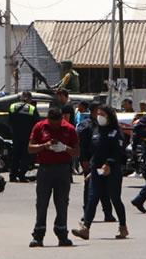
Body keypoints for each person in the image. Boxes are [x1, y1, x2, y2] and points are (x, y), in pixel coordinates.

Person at [72, 105, 128, 241]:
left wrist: (109, 163)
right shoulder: (96, 131)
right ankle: (85, 228)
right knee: (92, 198)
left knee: (115, 198)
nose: (99, 116)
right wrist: (92, 169)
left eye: (102, 114)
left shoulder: (116, 132)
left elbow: (118, 151)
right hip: (97, 170)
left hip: (112, 170)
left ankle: (123, 226)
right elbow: (95, 153)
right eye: (98, 114)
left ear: (109, 116)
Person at [28, 107, 80, 247]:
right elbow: (30, 148)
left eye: (57, 124)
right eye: (52, 124)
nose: (54, 127)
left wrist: (64, 148)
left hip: (62, 169)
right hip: (45, 169)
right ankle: (38, 235)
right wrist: (44, 146)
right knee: (42, 202)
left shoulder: (69, 129)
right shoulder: (40, 127)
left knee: (62, 202)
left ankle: (62, 234)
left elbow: (76, 152)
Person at [77, 102, 115, 224]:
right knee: (90, 187)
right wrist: (84, 160)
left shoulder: (102, 125)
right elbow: (82, 146)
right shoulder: (86, 126)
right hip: (90, 161)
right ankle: (87, 212)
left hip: (102, 161)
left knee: (104, 187)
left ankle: (108, 213)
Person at [8, 91, 40, 183]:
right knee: (25, 156)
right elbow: (36, 122)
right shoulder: (32, 108)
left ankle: (12, 176)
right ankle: (22, 175)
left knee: (15, 156)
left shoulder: (13, 106)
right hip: (27, 135)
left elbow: (10, 120)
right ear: (29, 98)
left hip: (16, 135)